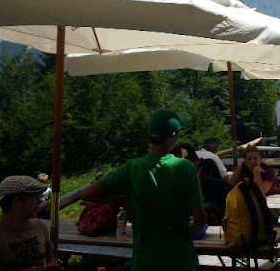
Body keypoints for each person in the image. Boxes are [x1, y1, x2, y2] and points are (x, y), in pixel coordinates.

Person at [80, 109, 206, 271]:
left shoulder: (132, 168)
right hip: (180, 260)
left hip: (144, 261)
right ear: (173, 135)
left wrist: (120, 200)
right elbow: (200, 218)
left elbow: (86, 194)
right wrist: (192, 225)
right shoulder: (186, 168)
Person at [0, 175, 60, 270]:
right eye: (33, 197)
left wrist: (52, 264)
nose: (39, 201)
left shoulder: (39, 226)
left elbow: (50, 257)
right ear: (17, 201)